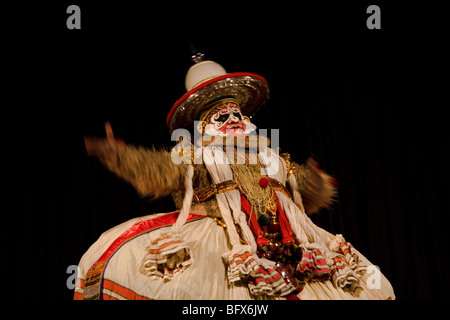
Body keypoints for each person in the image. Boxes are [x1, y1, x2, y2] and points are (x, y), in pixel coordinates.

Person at [75, 57, 395, 300]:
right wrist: (119, 156)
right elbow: (160, 169)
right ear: (205, 126)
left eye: (237, 114)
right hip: (228, 241)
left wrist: (316, 179)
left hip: (288, 242)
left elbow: (304, 193)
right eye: (221, 116)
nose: (232, 120)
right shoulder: (197, 157)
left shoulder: (272, 159)